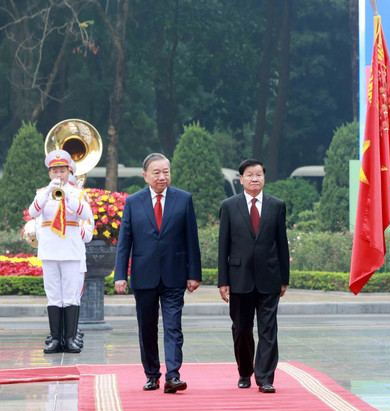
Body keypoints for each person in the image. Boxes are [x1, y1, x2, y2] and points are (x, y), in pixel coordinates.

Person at [114, 153, 202, 393]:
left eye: (166, 171)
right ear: (145, 176)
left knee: (173, 326)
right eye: (157, 172)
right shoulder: (133, 202)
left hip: (174, 276)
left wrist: (194, 274)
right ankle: (152, 374)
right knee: (147, 327)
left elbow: (191, 240)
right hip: (144, 276)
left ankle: (173, 376)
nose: (162, 176)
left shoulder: (183, 200)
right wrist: (120, 274)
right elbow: (125, 242)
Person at [218, 159, 289, 393]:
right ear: (241, 179)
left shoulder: (276, 205)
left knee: (268, 329)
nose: (255, 179)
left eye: (259, 174)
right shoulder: (229, 206)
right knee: (241, 329)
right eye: (250, 175)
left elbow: (282, 244)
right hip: (239, 279)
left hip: (269, 277)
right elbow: (223, 246)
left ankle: (265, 377)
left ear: (264, 178)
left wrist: (284, 279)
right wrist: (223, 281)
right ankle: (244, 371)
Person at [29, 150, 93, 354]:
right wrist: (49, 192)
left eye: (62, 170)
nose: (58, 174)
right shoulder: (43, 192)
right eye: (55, 170)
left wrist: (67, 197)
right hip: (49, 252)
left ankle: (70, 338)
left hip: (72, 252)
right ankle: (55, 339)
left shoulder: (79, 194)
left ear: (69, 171)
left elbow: (86, 214)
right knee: (54, 296)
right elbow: (32, 212)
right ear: (49, 173)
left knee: (71, 297)